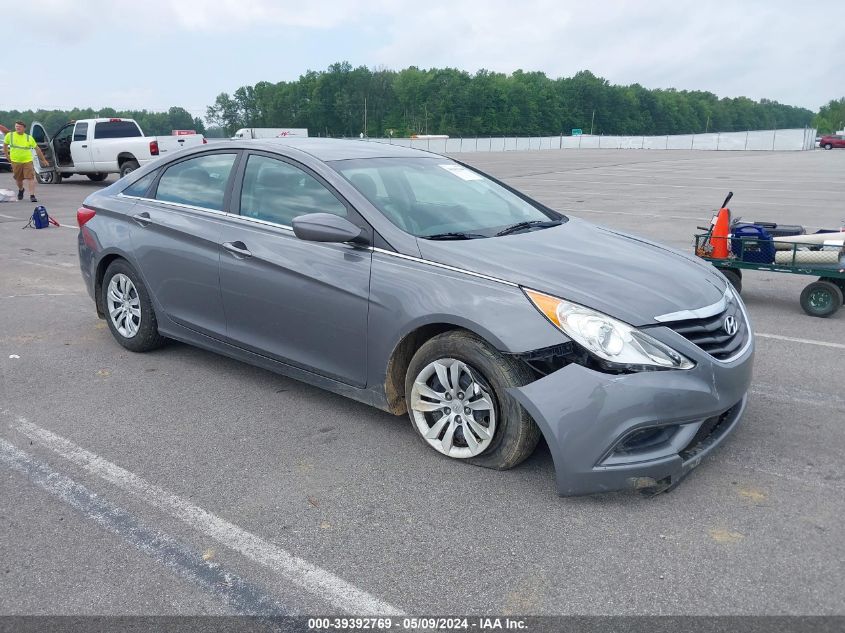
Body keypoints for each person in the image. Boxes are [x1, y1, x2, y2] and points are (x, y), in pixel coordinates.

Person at [3, 120, 49, 203]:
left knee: (30, 178)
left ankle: (32, 195)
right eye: (16, 126)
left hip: (27, 161)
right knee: (18, 180)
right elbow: (5, 146)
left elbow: (37, 149)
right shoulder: (10, 136)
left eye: (19, 127)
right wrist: (7, 156)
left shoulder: (29, 138)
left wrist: (43, 160)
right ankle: (21, 189)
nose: (17, 128)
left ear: (24, 128)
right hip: (15, 161)